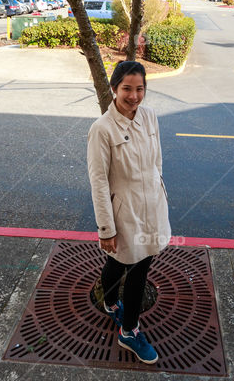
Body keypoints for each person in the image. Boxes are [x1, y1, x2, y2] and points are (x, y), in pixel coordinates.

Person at [87, 61, 171, 365]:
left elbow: (157, 161)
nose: (134, 96)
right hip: (124, 212)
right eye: (127, 89)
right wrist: (106, 228)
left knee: (120, 259)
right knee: (136, 267)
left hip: (152, 206)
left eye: (140, 89)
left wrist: (160, 190)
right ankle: (129, 331)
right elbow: (98, 182)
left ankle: (109, 300)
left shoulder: (149, 116)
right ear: (113, 89)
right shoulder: (102, 130)